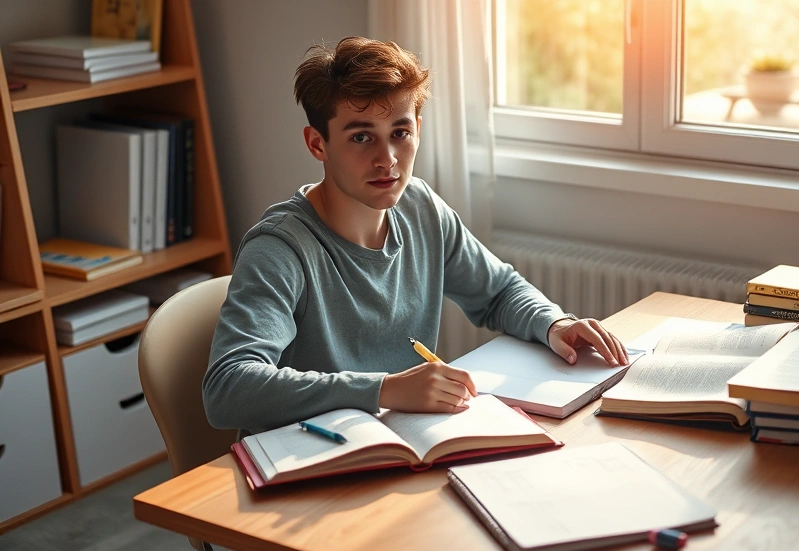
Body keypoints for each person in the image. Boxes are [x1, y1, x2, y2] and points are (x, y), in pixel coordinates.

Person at [202, 37, 627, 433]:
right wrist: (382, 389)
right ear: (317, 144)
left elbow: (497, 291)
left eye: (400, 134)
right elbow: (228, 388)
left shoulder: (420, 206)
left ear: (418, 131)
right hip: (310, 464)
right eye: (361, 136)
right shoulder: (280, 249)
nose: (387, 160)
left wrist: (554, 323)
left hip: (403, 442)